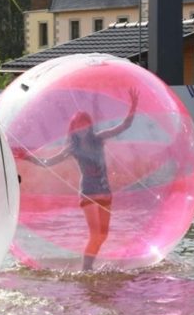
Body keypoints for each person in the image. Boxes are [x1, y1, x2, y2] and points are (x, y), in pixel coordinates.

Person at [15, 88, 139, 271]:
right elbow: (48, 162)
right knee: (95, 234)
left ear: (89, 126)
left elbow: (123, 126)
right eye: (78, 126)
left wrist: (133, 106)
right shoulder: (72, 148)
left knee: (102, 235)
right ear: (74, 128)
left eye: (85, 125)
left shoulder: (99, 139)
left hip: (105, 192)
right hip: (88, 194)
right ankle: (86, 269)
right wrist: (27, 157)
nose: (82, 129)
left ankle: (87, 268)